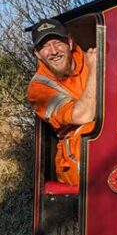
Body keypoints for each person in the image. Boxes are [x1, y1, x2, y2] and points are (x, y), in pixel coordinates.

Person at [26, 19, 98, 187]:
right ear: (37, 54)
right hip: (76, 154)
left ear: (70, 42)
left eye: (58, 43)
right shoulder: (38, 88)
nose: (53, 51)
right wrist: (96, 70)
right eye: (44, 47)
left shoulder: (91, 59)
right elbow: (83, 115)